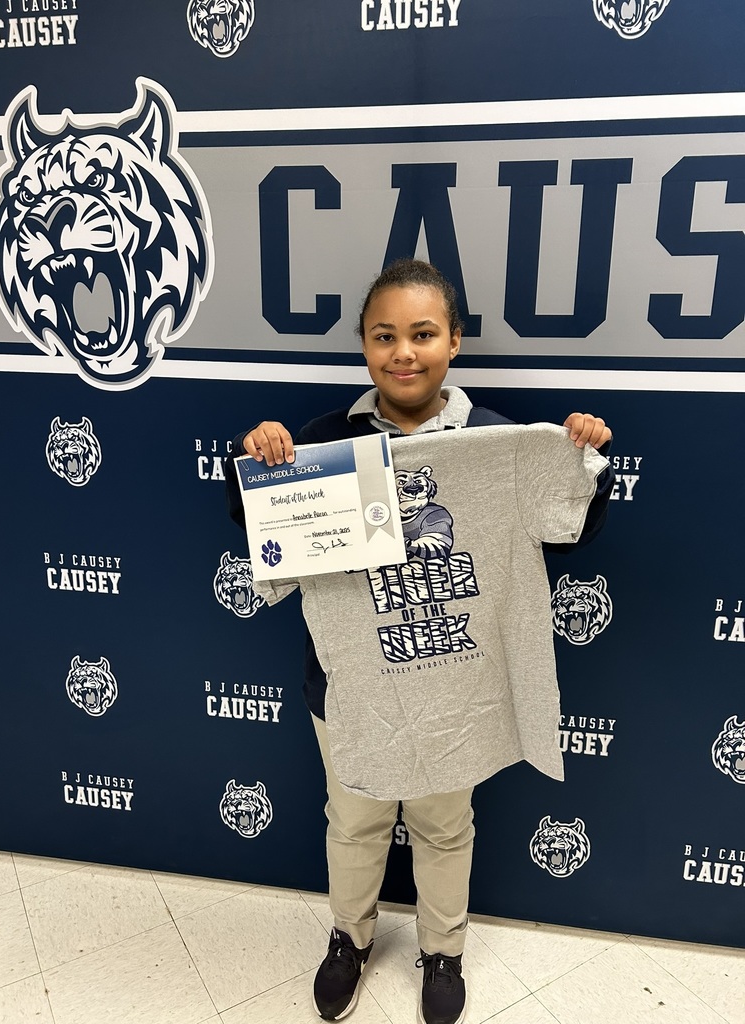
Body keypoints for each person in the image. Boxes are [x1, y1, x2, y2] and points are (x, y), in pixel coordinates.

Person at [225, 258, 614, 1024]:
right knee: (356, 819)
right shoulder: (323, 439)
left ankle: (444, 949)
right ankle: (350, 936)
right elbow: (262, 533)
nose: (405, 352)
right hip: (349, 688)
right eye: (385, 336)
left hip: (455, 684)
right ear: (366, 347)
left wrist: (578, 460)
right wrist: (258, 467)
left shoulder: (499, 440)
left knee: (443, 824)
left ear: (454, 342)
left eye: (423, 334)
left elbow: (568, 531)